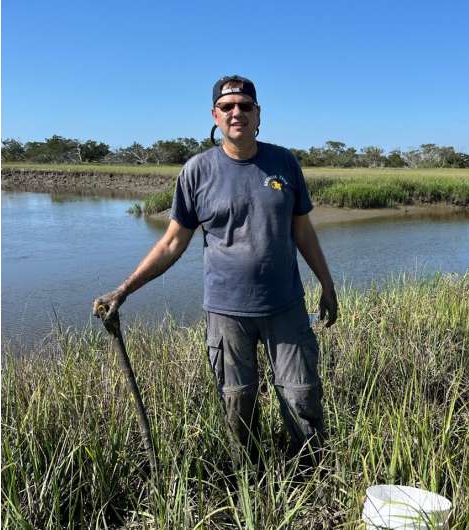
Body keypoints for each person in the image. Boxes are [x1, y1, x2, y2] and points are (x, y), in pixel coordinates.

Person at [93, 74, 337, 470]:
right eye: (227, 107)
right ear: (215, 115)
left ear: (258, 115)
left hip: (286, 307)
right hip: (226, 312)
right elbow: (173, 242)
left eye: (245, 106)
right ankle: (252, 482)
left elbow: (303, 231)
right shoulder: (196, 172)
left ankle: (311, 477)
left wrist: (326, 283)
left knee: (302, 397)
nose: (236, 112)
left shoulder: (284, 163)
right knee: (238, 405)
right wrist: (124, 290)